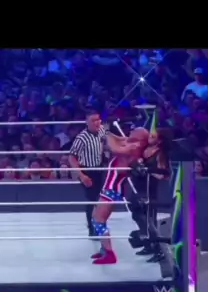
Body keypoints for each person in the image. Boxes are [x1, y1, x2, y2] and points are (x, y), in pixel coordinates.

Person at [91, 128, 150, 265]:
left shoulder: (134, 147)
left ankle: (110, 254)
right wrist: (106, 130)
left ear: (140, 137)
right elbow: (118, 139)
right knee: (95, 217)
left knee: (99, 220)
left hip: (112, 189)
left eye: (135, 131)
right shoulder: (130, 142)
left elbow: (114, 148)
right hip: (108, 187)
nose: (131, 131)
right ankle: (104, 249)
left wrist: (106, 133)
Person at [129, 128, 172, 262]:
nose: (149, 138)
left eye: (153, 136)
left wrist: (147, 170)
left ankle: (159, 250)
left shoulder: (160, 154)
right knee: (137, 215)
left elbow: (162, 175)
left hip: (149, 190)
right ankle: (148, 245)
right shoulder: (144, 149)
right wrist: (138, 165)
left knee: (148, 220)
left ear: (159, 141)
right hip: (138, 187)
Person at [68, 111, 108, 236]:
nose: (97, 123)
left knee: (100, 199)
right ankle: (92, 228)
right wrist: (82, 175)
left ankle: (99, 223)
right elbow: (72, 157)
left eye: (98, 120)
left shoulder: (102, 130)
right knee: (92, 199)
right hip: (87, 170)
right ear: (87, 122)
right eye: (93, 120)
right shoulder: (82, 138)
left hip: (99, 168)